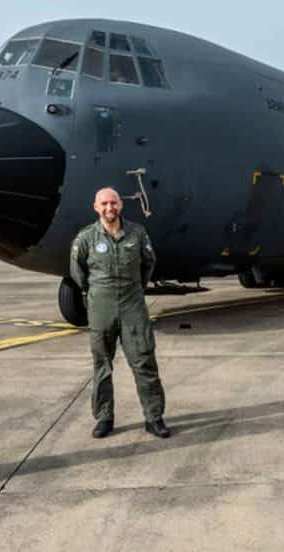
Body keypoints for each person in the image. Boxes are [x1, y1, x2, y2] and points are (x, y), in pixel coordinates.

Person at [70, 187, 169, 439]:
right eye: (104, 204)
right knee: (102, 365)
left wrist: (134, 289)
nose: (109, 208)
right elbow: (78, 273)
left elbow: (148, 264)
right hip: (101, 307)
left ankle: (154, 417)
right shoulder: (86, 238)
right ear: (96, 207)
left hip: (132, 305)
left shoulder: (137, 233)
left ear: (121, 205)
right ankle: (104, 417)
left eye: (113, 202)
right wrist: (94, 295)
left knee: (144, 361)